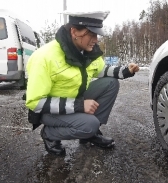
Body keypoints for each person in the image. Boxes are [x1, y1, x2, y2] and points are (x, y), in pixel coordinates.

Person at [25, 10, 140, 156]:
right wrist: (80, 106)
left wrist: (125, 71)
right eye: (91, 34)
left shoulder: (86, 51)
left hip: (75, 98)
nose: (96, 39)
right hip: (49, 111)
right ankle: (50, 134)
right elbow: (35, 102)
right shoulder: (44, 57)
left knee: (111, 83)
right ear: (74, 32)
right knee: (90, 124)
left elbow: (101, 70)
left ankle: (89, 135)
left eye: (97, 34)